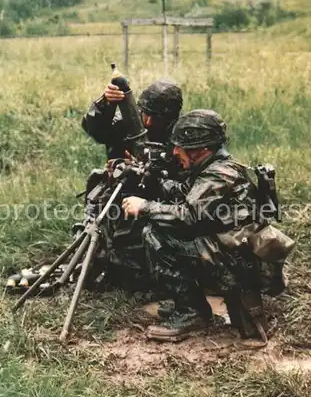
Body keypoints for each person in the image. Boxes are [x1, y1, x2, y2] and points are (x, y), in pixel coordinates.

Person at [121, 109, 294, 342]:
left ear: (201, 150)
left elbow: (187, 217)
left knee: (156, 233)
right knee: (165, 228)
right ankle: (191, 305)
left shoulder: (218, 175)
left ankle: (191, 312)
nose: (174, 152)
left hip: (237, 263)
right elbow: (189, 194)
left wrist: (145, 206)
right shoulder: (217, 167)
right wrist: (157, 181)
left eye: (180, 147)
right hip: (234, 253)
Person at [78, 79, 184, 291]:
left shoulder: (181, 134)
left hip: (157, 196)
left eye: (158, 118)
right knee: (99, 234)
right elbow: (95, 129)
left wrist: (154, 168)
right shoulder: (128, 122)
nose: (150, 122)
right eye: (147, 114)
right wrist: (105, 103)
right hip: (118, 190)